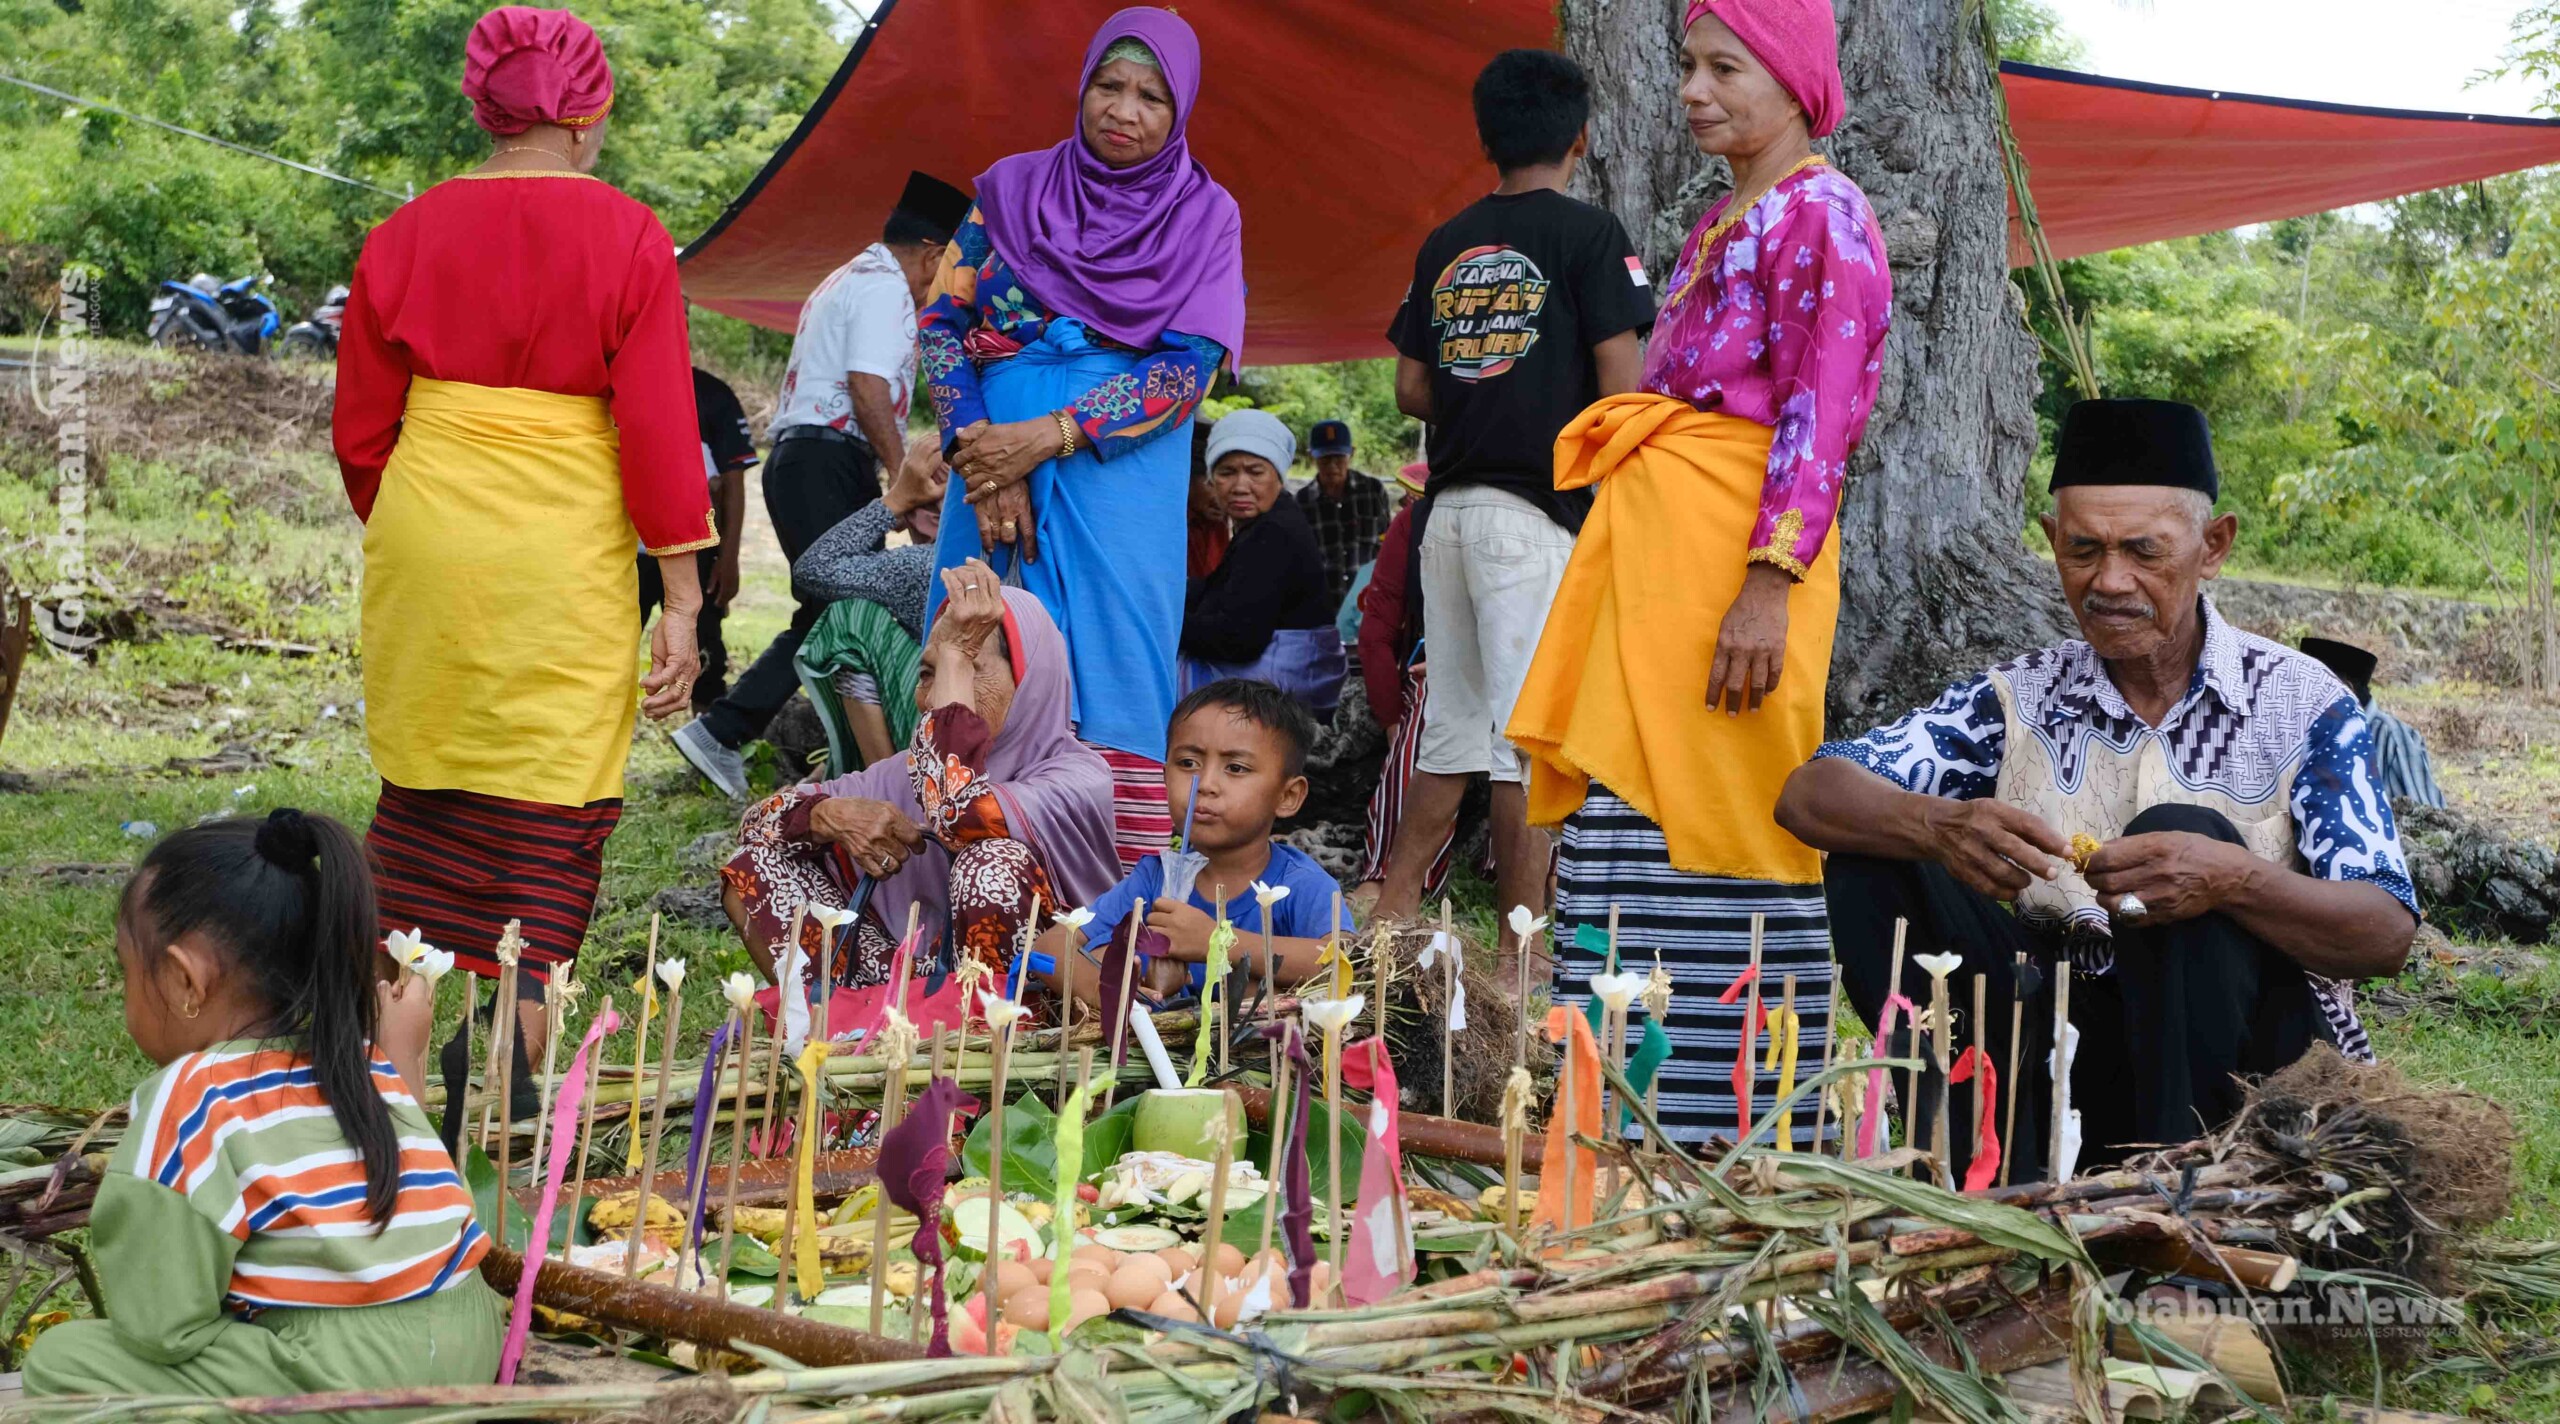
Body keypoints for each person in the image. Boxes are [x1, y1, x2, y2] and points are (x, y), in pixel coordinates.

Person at [1777, 399, 2421, 1181]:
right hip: (2071, 1065)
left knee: (2194, 838)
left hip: (2252, 1084)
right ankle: (1976, 1176)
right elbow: (1809, 793)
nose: (2110, 582)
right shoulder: (2017, 698)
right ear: (2050, 543)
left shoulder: (2303, 703)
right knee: (1877, 850)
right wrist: (1940, 825)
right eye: (2083, 550)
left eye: (2143, 552)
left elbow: (2384, 932)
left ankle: (2186, 1196)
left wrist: (2230, 878)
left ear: (2214, 547)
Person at [1507, 0, 1893, 1147]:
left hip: (1736, 572)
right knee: (1625, 826)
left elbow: (1823, 412)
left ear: (1793, 81)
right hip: (1657, 572)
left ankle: (1732, 1146)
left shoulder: (1822, 210)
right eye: (1687, 63)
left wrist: (1769, 580)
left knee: (1728, 819)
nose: (1693, 87)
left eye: (1726, 66)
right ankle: (1614, 1139)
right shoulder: (1727, 215)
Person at [334, 6, 712, 1089]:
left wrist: (427, 527)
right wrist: (680, 598)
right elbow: (653, 430)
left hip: (428, 523)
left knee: (426, 778)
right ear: (589, 118)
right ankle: (510, 1051)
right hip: (559, 547)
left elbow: (362, 432)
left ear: (481, 108)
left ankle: (383, 1065)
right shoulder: (631, 234)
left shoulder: (403, 233)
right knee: (554, 783)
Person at [919, 6, 1246, 874]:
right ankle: (959, 896)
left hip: (1118, 481)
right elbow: (944, 322)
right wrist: (985, 460)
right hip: (984, 465)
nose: (1124, 111)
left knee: (1115, 671)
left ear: (1179, 114)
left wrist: (1051, 436)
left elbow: (1189, 369)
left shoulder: (1205, 216)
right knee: (974, 648)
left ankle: (1104, 920)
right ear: (1083, 86)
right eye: (1109, 85)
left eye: (1150, 97)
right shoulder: (1008, 192)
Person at [25, 810, 501, 1401]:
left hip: (350, 1377)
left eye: (127, 971)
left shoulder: (192, 1094)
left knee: (64, 1361)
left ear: (183, 980)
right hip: (471, 1341)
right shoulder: (358, 1059)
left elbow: (160, 1330)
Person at [1373, 47, 1655, 951]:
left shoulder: (1445, 239)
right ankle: (1522, 957)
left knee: (1451, 732)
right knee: (1525, 743)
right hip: (1530, 518)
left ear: (1486, 139)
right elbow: (1626, 387)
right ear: (1580, 138)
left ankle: (1390, 925)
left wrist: (1483, 385)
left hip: (1443, 515)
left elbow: (1411, 389)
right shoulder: (1591, 234)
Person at [675, 170, 974, 798]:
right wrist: (906, 478)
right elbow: (868, 389)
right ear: (929, 252)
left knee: (836, 605)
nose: (940, 285)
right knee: (835, 600)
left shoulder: (851, 276)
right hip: (824, 456)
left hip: (812, 456)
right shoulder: (884, 290)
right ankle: (725, 732)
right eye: (944, 268)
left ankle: (808, 749)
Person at [721, 567, 1121, 988]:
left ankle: (995, 1033)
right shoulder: (908, 769)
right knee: (758, 863)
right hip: (914, 985)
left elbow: (956, 812)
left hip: (1042, 989)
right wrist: (828, 815)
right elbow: (756, 825)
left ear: (1028, 683)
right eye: (928, 673)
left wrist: (952, 652)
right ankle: (845, 1027)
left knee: (989, 867)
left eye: (966, 667)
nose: (934, 697)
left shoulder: (1078, 775)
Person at [1038, 679, 1357, 1008]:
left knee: (1251, 986)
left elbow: (1345, 962)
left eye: (1236, 768)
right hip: (1158, 1049)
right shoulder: (1154, 880)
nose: (1205, 784)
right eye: (1188, 763)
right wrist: (1106, 991)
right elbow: (1047, 951)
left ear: (1288, 796)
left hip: (1262, 1054)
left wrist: (1219, 942)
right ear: (1164, 775)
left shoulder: (1300, 884)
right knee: (1106, 953)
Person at [1178, 411, 1348, 714]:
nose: (1241, 486)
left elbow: (1237, 640)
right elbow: (1220, 588)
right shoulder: (1264, 521)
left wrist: (1165, 619)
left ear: (1278, 477)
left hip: (1289, 687)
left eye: (1255, 472)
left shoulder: (1273, 533)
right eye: (1227, 472)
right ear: (1211, 478)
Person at [792, 443, 950, 766]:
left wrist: (893, 501)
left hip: (951, 746)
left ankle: (883, 787)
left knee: (850, 619)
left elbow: (814, 567)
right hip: (995, 745)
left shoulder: (922, 566)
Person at [1352, 461, 1461, 910]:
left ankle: (1542, 878)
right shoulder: (1414, 523)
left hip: (1520, 663)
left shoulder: (1546, 512)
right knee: (1428, 707)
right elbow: (1377, 627)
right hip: (1433, 673)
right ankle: (1388, 870)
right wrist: (1390, 718)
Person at [639, 366, 756, 714]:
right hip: (622, 550)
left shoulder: (711, 393)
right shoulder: (616, 381)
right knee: (607, 645)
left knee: (704, 648)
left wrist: (729, 558)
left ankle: (706, 740)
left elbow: (731, 483)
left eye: (684, 310)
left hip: (695, 548)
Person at [2302, 636, 2446, 809]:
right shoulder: (2317, 732)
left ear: (2346, 690)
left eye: (2314, 689)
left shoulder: (2392, 736)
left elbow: (2428, 816)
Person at [1296, 418, 1392, 606]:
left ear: (1351, 454)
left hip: (1368, 604)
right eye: (1325, 459)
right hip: (1322, 605)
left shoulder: (1373, 491)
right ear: (1311, 457)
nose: (1332, 466)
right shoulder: (1302, 501)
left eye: (1339, 458)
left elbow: (1386, 545)